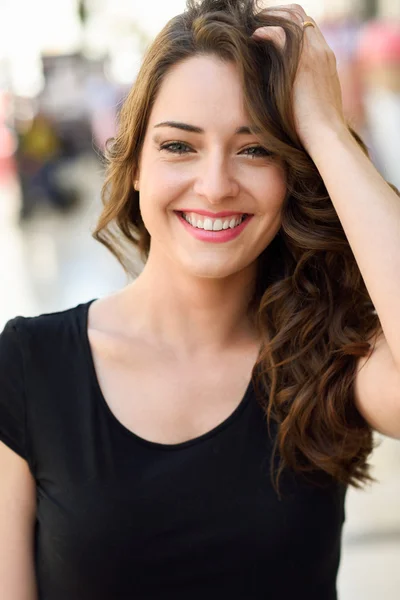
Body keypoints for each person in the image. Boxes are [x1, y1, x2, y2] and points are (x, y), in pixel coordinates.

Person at [1, 1, 400, 598]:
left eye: (256, 148)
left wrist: (323, 126)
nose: (215, 186)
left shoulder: (327, 360)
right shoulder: (30, 364)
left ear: (296, 172)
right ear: (134, 163)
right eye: (179, 147)